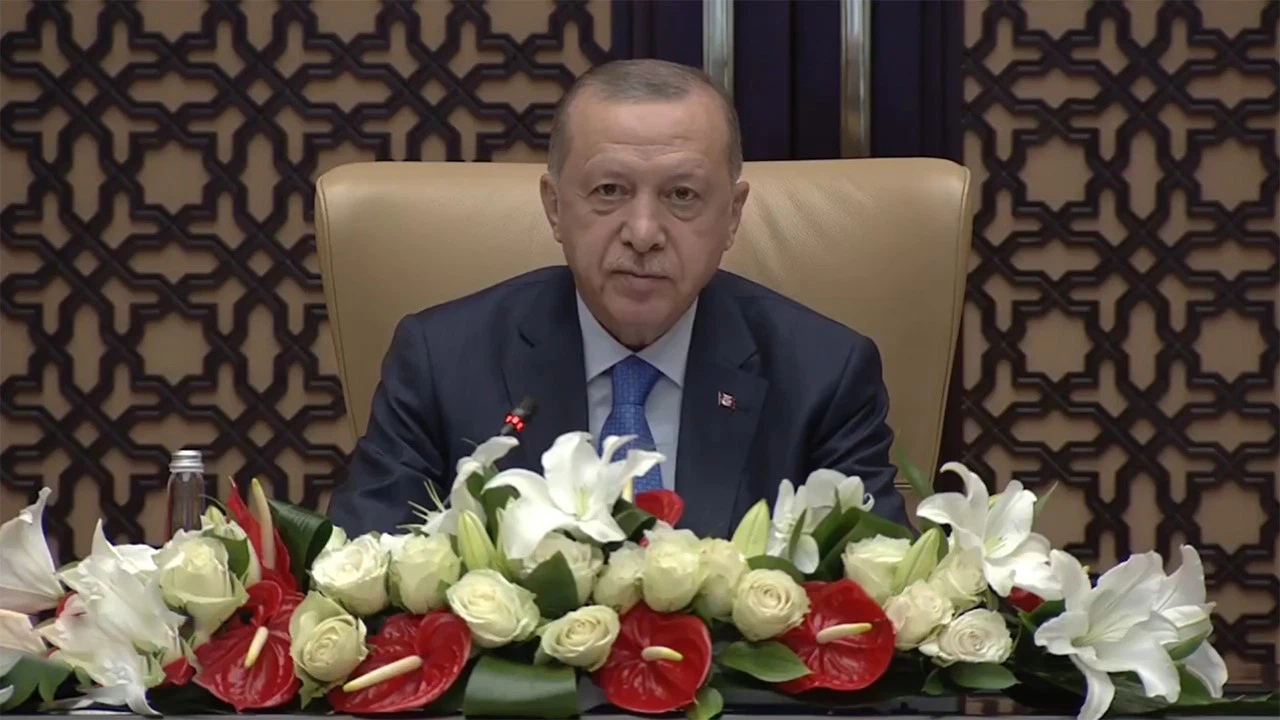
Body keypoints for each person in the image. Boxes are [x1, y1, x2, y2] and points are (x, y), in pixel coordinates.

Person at [327, 59, 908, 538]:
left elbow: (878, 597)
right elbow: (365, 574)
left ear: (732, 216)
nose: (644, 232)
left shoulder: (824, 376)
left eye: (682, 195)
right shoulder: (441, 362)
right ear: (555, 207)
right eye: (609, 190)